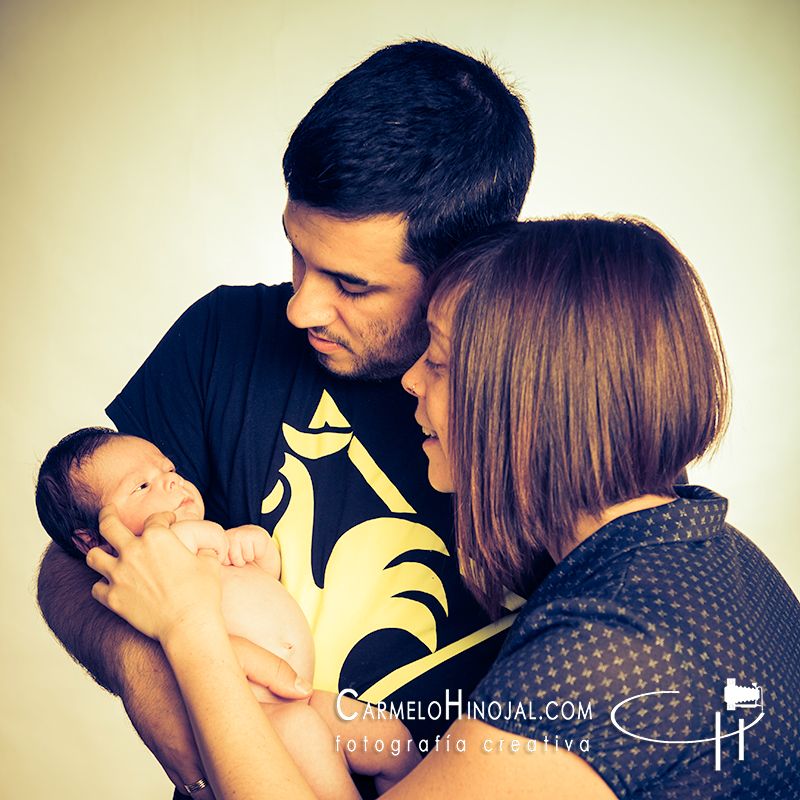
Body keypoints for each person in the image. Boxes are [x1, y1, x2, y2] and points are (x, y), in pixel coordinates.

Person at [87, 216, 800, 798]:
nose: (409, 383)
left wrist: (191, 632)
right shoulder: (712, 556)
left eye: (440, 361)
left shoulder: (607, 657)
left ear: (529, 406)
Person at [35, 39, 542, 797]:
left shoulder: (559, 415)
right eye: (296, 253)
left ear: (460, 272)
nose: (300, 305)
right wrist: (147, 670)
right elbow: (75, 555)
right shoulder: (224, 335)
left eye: (349, 282)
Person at [35, 428, 421, 798]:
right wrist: (221, 539)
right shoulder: (149, 571)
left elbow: (262, 590)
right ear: (94, 540)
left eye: (169, 470)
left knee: (391, 739)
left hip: (303, 696)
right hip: (258, 720)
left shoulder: (204, 546)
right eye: (142, 486)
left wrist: (257, 550)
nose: (171, 482)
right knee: (312, 746)